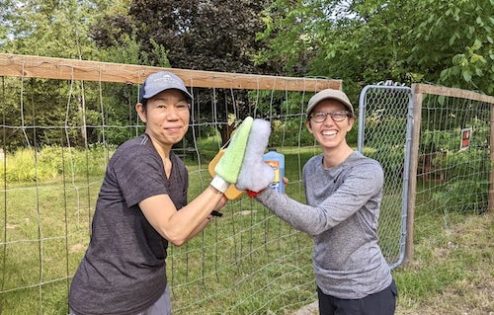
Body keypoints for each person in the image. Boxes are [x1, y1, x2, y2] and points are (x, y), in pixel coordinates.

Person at [68, 71, 233, 315]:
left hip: (153, 293)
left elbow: (183, 231)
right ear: (142, 111)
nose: (173, 116)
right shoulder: (135, 155)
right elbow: (174, 230)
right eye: (160, 106)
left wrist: (224, 197)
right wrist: (222, 181)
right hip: (107, 301)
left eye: (180, 106)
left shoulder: (178, 169)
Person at [247, 89, 397, 314]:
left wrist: (260, 191)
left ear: (350, 122)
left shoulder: (367, 171)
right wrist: (273, 190)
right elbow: (319, 228)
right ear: (309, 125)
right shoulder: (311, 168)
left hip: (364, 292)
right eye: (319, 116)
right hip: (326, 286)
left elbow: (319, 221)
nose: (328, 122)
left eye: (337, 115)